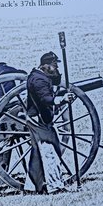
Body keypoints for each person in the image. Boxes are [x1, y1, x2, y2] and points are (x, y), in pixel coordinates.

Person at [23, 51, 75, 194]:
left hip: (35, 118)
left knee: (37, 153)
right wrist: (62, 100)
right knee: (50, 151)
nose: (56, 68)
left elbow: (55, 80)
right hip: (40, 119)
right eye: (53, 65)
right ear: (45, 65)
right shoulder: (39, 80)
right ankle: (55, 186)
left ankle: (33, 186)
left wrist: (56, 74)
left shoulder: (38, 75)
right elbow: (45, 99)